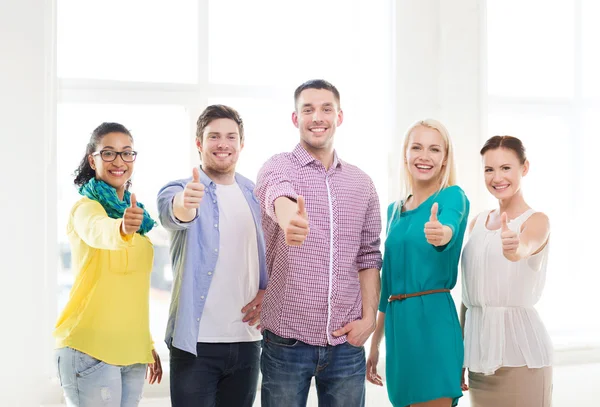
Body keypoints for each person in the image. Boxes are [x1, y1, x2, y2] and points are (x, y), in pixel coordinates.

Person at [255, 79, 383, 407]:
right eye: (308, 109)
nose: (317, 117)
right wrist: (289, 220)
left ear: (339, 117)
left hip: (346, 345)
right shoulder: (277, 165)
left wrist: (369, 319)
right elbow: (276, 193)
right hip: (286, 343)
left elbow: (369, 256)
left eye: (326, 109)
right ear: (295, 118)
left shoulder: (362, 183)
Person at [156, 105, 268, 407]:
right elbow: (173, 214)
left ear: (241, 144)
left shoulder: (256, 195)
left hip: (247, 341)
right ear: (199, 143)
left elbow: (271, 255)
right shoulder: (178, 189)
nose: (223, 144)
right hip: (195, 345)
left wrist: (268, 291)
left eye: (231, 137)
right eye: (213, 136)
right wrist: (185, 203)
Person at [54, 122, 162, 407]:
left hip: (131, 352)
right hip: (89, 350)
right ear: (93, 159)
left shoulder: (138, 216)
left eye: (127, 153)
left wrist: (146, 343)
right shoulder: (85, 208)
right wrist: (121, 229)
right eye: (109, 153)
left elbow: (129, 292)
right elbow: (98, 230)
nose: (119, 161)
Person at [367, 119, 469, 407]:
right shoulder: (394, 211)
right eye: (417, 147)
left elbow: (448, 227)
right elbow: (387, 285)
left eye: (435, 149)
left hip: (433, 323)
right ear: (405, 154)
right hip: (399, 332)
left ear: (445, 158)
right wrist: (374, 345)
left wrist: (441, 234)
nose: (425, 156)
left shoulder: (452, 196)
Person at [460, 135, 553, 407]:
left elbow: (526, 246)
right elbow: (468, 298)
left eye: (506, 168)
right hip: (479, 359)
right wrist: (461, 358)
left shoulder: (536, 221)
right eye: (489, 169)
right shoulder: (477, 222)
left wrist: (515, 248)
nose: (497, 177)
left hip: (523, 358)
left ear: (524, 168)